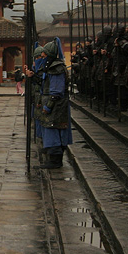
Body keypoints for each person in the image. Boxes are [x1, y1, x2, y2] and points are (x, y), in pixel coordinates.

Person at [37, 39, 73, 169]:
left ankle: (56, 159)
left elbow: (56, 91)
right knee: (50, 129)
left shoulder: (56, 68)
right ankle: (53, 155)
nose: (42, 56)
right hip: (52, 104)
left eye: (44, 54)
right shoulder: (50, 67)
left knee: (54, 130)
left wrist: (48, 106)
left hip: (57, 106)